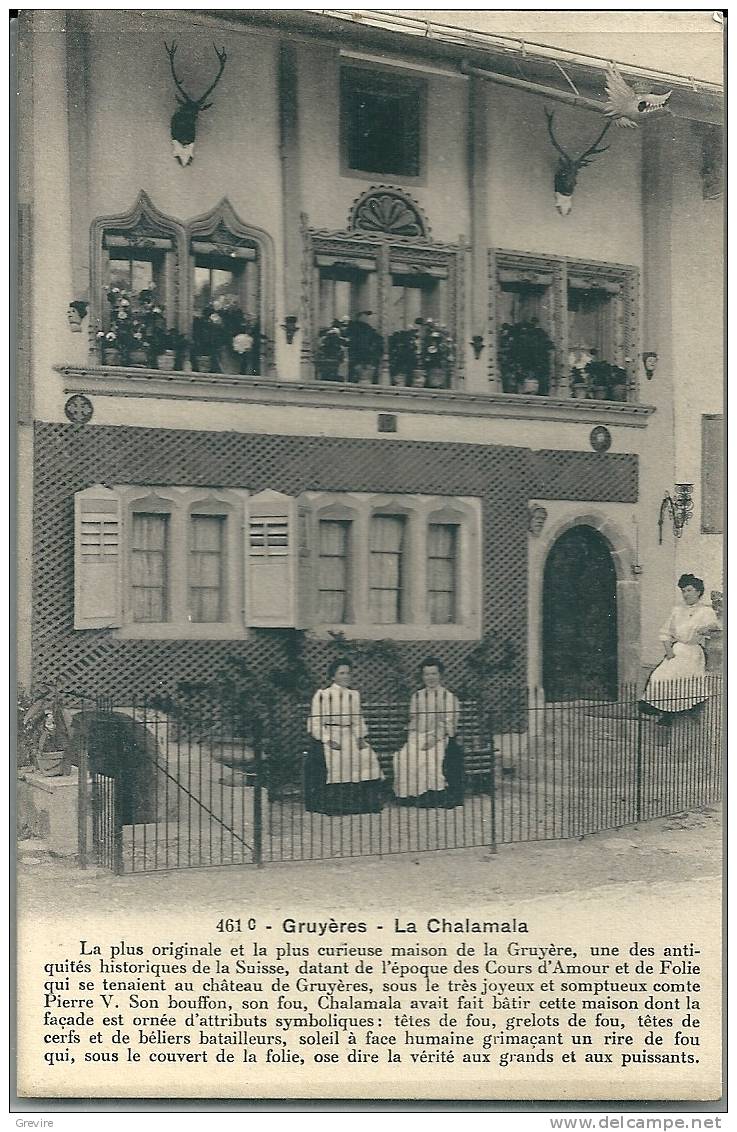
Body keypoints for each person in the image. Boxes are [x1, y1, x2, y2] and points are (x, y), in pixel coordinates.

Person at [306, 658, 384, 814]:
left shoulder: (353, 695)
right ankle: (336, 804)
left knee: (367, 755)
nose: (346, 676)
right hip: (330, 734)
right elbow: (315, 723)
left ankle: (364, 803)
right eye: (341, 673)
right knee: (337, 758)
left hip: (350, 735)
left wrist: (360, 738)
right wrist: (328, 740)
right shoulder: (323, 695)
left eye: (348, 673)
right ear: (332, 677)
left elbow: (357, 719)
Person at [639, 574, 720, 724]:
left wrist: (705, 628)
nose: (686, 594)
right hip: (677, 650)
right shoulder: (677, 610)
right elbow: (665, 632)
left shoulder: (706, 611)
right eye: (683, 591)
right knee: (658, 678)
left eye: (689, 590)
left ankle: (678, 711)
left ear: (698, 592)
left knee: (681, 681)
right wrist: (669, 651)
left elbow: (714, 627)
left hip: (693, 651)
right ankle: (667, 711)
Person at [393, 658, 462, 808]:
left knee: (430, 759)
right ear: (422, 676)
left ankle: (431, 796)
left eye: (434, 674)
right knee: (403, 757)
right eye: (427, 674)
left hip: (439, 737)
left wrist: (433, 739)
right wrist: (413, 739)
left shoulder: (448, 697)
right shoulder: (417, 696)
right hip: (417, 735)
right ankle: (409, 795)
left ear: (440, 675)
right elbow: (413, 720)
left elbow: (449, 723)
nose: (430, 678)